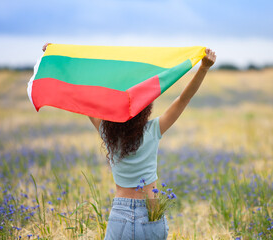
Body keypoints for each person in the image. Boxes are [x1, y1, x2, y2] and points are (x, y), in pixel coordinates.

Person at [42, 43, 216, 239]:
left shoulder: (107, 135)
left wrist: (59, 61)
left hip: (120, 214)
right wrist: (203, 68)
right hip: (152, 212)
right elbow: (183, 99)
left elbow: (83, 96)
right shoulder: (153, 130)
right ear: (144, 108)